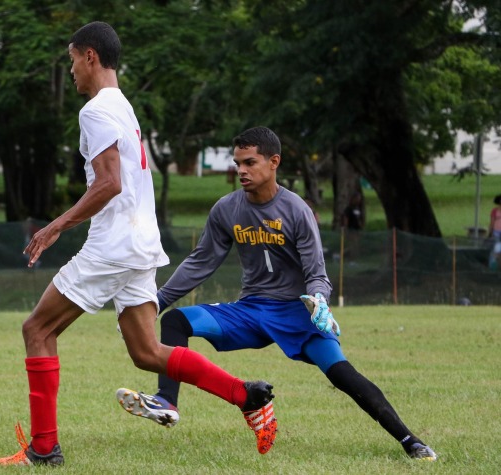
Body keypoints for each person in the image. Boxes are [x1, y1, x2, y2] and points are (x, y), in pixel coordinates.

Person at [0, 23, 276, 467]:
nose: (70, 71)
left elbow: (108, 183)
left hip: (115, 245)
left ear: (90, 56)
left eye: (71, 60)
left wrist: (55, 227)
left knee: (37, 330)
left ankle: (44, 448)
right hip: (142, 242)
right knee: (147, 353)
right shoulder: (123, 105)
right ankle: (246, 395)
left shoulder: (95, 111)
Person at [115, 126, 437, 461]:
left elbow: (317, 272)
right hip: (251, 310)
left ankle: (410, 441)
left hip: (297, 313)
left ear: (274, 162)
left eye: (250, 162)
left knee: (343, 375)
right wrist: (155, 302)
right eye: (237, 162)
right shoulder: (226, 209)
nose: (241, 170)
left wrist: (319, 302)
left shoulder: (297, 210)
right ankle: (167, 401)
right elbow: (201, 262)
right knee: (177, 320)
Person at [489, 194, 501, 270]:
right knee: (496, 249)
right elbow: (492, 222)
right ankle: (493, 266)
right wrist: (490, 231)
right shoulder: (494, 211)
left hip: (497, 232)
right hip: (496, 232)